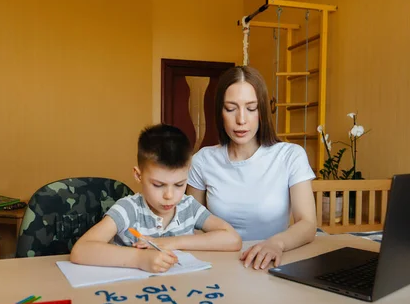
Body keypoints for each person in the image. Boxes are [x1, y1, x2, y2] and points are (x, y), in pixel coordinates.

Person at [187, 66, 317, 270]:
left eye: (251, 108)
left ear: (262, 110)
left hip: (272, 263)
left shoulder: (290, 155)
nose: (241, 119)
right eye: (231, 108)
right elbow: (190, 224)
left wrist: (276, 244)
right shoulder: (203, 160)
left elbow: (308, 224)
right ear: (220, 112)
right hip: (219, 266)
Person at [71, 124, 242, 273]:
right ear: (138, 175)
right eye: (158, 185)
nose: (169, 196)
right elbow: (81, 250)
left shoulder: (188, 207)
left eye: (179, 184)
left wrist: (169, 242)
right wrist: (139, 259)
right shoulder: (128, 209)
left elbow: (232, 239)